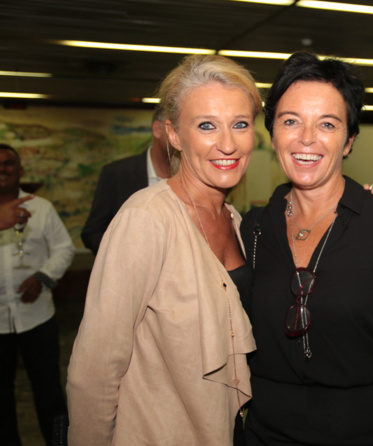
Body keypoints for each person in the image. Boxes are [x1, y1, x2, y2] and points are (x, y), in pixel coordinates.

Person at [239, 52, 373, 445]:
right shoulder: (253, 228)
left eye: (327, 124)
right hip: (267, 434)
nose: (306, 138)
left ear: (349, 141)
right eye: (290, 121)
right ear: (272, 134)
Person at [66, 54, 259, 445]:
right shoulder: (146, 219)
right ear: (173, 134)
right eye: (206, 125)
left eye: (240, 124)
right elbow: (95, 369)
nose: (228, 143)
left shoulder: (235, 220)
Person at [0, 144, 75, 445]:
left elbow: (64, 248)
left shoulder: (41, 208)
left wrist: (42, 277)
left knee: (48, 391)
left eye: (8, 163)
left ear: (20, 170)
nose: (2, 169)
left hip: (37, 317)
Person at [81, 107, 171, 254]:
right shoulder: (116, 174)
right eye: (175, 129)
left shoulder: (196, 177)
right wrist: (124, 255)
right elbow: (93, 233)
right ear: (157, 129)